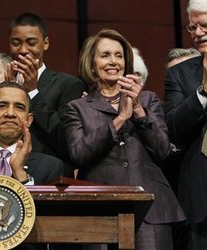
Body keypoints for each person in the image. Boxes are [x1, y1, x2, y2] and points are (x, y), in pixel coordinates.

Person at [64, 29, 185, 250]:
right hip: (99, 211)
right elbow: (79, 153)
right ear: (92, 64)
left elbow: (163, 150)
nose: (113, 61)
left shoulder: (147, 100)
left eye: (119, 56)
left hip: (151, 208)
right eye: (105, 55)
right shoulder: (77, 108)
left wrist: (138, 111)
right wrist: (119, 120)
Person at [8, 12, 88, 178]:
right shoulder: (4, 84)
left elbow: (66, 141)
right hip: (5, 174)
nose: (23, 50)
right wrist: (6, 88)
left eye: (31, 43)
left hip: (50, 178)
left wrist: (32, 91)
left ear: (45, 43)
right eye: (16, 43)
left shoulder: (68, 84)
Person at [163, 1, 207, 249]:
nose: (198, 33)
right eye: (192, 27)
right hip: (200, 196)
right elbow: (173, 129)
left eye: (205, 25)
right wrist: (204, 91)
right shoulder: (179, 73)